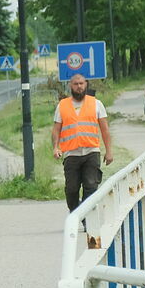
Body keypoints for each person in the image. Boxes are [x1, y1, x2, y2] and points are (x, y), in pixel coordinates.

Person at [52, 73, 114, 214]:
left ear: (86, 84)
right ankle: (76, 213)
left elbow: (105, 130)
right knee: (71, 189)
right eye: (76, 84)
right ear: (70, 86)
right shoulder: (62, 105)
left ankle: (87, 217)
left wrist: (109, 151)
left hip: (91, 152)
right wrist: (56, 147)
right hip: (71, 154)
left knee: (91, 186)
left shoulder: (96, 104)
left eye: (81, 83)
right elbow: (56, 129)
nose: (79, 87)